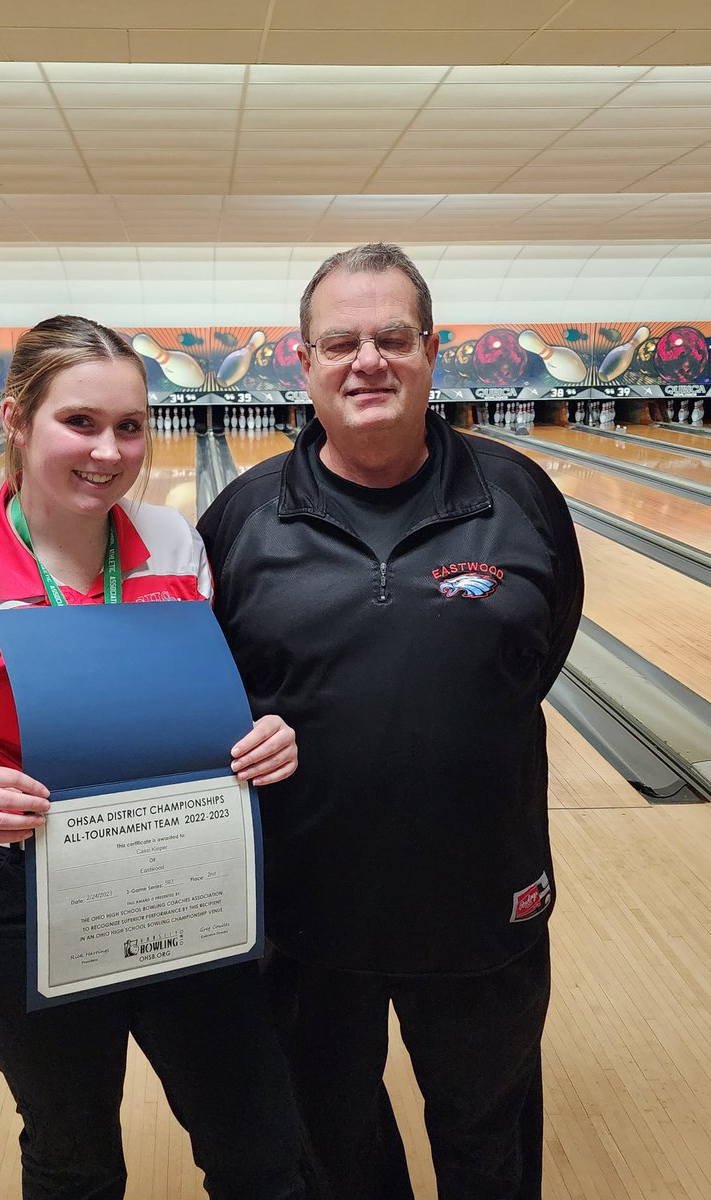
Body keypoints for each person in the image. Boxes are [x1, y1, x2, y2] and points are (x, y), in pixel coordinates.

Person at [0, 315, 310, 1200]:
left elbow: (199, 712)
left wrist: (264, 735)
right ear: (17, 420)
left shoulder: (181, 550)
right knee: (73, 1157)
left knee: (261, 1143)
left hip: (184, 871)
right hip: (17, 898)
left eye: (132, 426)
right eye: (81, 422)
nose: (110, 451)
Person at [197, 244, 584, 1200]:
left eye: (392, 338)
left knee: (488, 1131)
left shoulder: (520, 494)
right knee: (336, 1142)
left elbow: (541, 648)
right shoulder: (243, 519)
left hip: (484, 898)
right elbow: (212, 697)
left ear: (430, 350)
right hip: (308, 910)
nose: (367, 360)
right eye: (341, 342)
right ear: (305, 361)